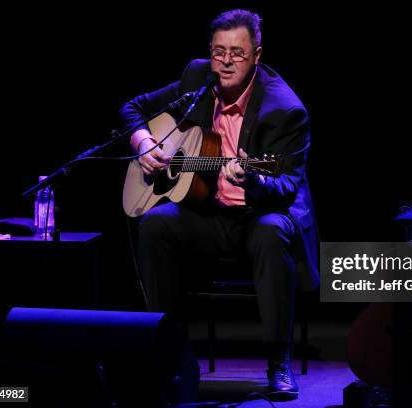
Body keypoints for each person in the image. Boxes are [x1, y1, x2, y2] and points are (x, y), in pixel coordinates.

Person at [119, 9, 318, 400]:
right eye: (218, 51)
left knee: (273, 230)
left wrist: (254, 178)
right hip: (206, 213)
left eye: (238, 54)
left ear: (257, 56)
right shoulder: (197, 77)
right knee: (155, 224)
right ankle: (169, 353)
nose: (226, 62)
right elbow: (133, 108)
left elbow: (289, 186)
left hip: (257, 213)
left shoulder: (286, 109)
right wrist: (143, 142)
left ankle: (278, 360)